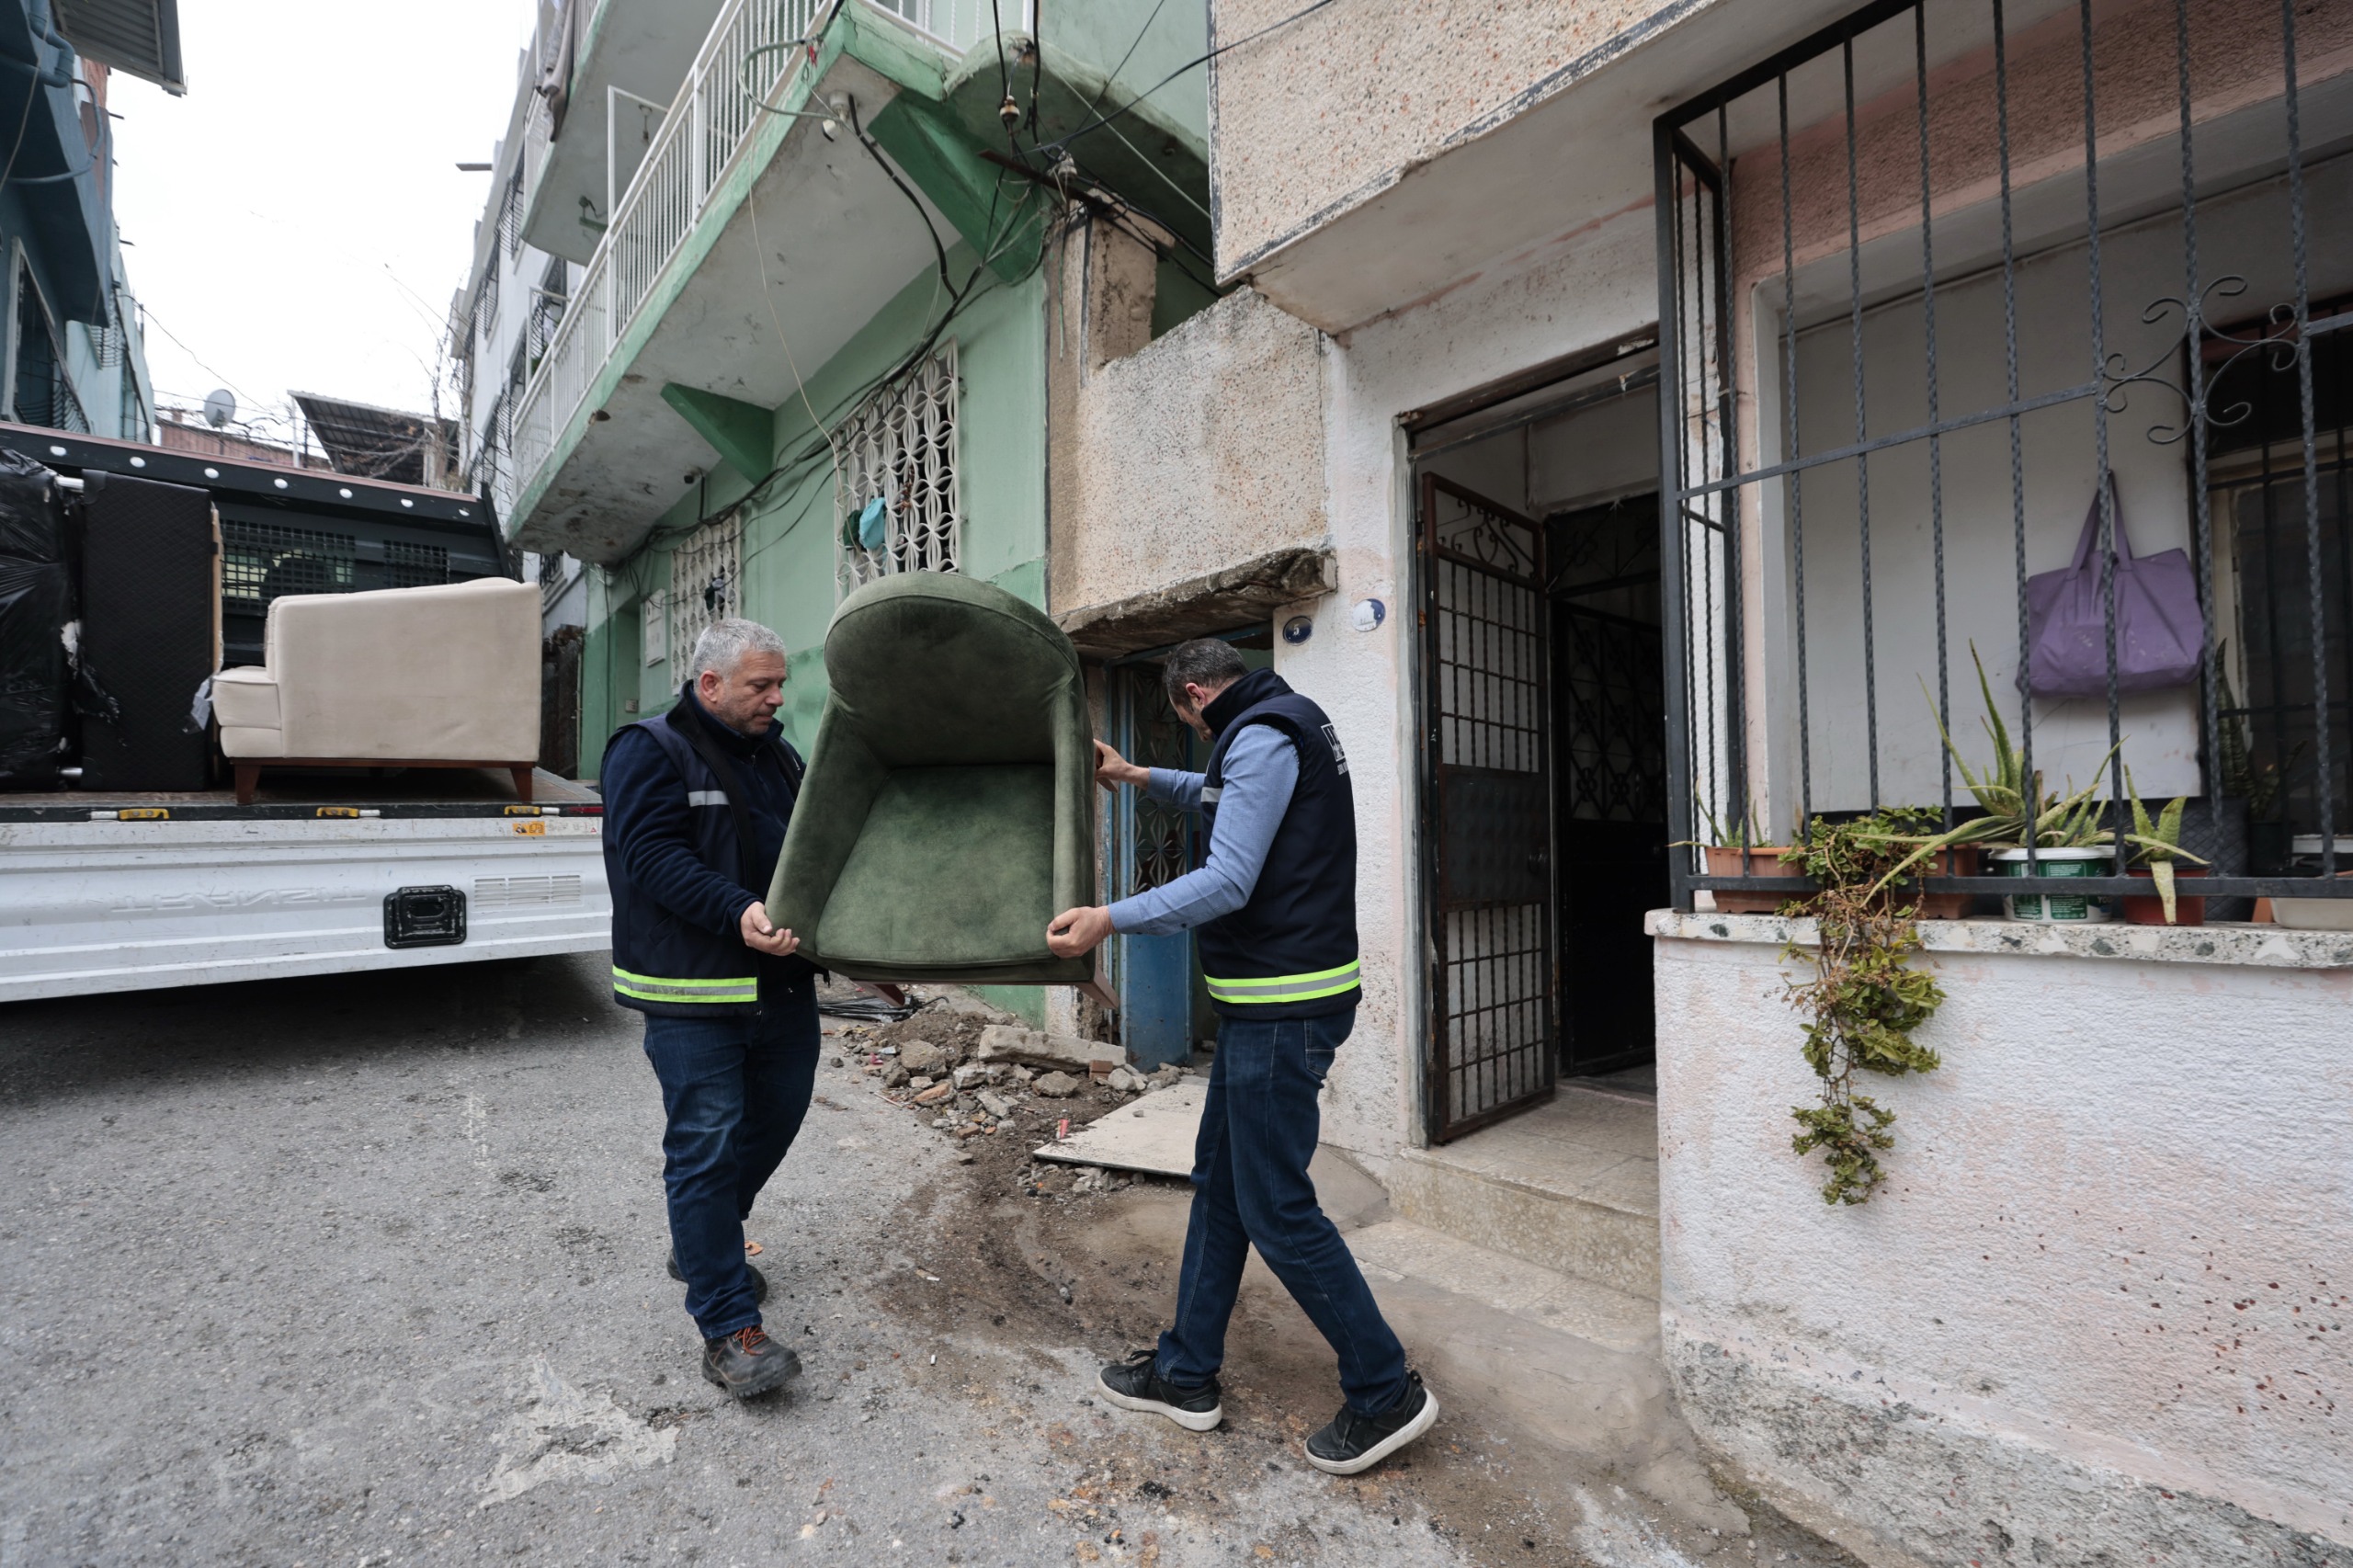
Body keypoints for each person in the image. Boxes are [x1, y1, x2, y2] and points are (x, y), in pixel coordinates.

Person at [1045, 639, 1438, 1476]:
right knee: (1221, 1184)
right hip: (1271, 1004)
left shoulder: (1258, 734)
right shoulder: (1283, 721)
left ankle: (1384, 1390)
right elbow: (1231, 797)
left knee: (1276, 1207)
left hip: (1283, 1011)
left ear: (1193, 694)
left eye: (1184, 719)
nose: (1193, 734)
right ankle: (1185, 1372)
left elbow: (1227, 879)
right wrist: (1142, 777)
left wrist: (1107, 918)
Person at [600, 618, 813, 1399]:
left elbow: (806, 863)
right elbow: (652, 857)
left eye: (779, 682)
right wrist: (736, 911)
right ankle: (729, 1329)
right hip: (694, 993)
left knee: (776, 1120)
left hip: (780, 987)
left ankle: (704, 1243)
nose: (777, 697)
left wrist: (853, 955)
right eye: (761, 685)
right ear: (710, 683)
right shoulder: (648, 749)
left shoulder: (782, 758)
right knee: (706, 1147)